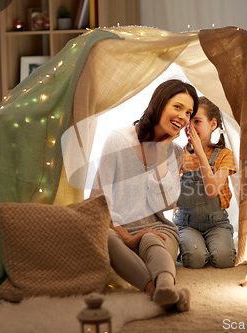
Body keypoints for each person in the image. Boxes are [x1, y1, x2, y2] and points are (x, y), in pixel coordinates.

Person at [90, 79, 198, 311]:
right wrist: (127, 237)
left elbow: (166, 203)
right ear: (159, 104)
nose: (183, 117)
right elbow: (99, 199)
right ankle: (157, 291)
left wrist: (160, 156)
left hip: (156, 227)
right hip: (115, 228)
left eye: (188, 112)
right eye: (177, 107)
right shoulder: (118, 140)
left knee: (151, 237)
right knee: (103, 236)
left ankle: (165, 287)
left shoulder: (175, 152)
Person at [173, 96, 237, 269]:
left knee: (224, 260)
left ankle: (214, 243)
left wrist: (201, 154)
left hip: (216, 222)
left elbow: (212, 191)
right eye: (188, 121)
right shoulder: (179, 154)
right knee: (195, 260)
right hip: (186, 222)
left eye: (197, 121)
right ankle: (191, 246)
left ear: (213, 124)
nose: (190, 127)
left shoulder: (224, 154)